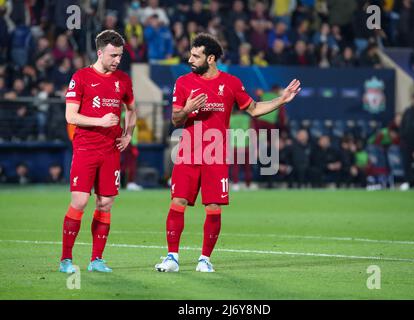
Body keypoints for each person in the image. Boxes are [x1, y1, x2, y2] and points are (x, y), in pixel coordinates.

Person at [155, 33, 301, 273]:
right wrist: (188, 109)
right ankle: (172, 257)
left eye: (196, 55)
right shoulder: (183, 82)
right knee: (177, 201)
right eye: (190, 54)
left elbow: (253, 109)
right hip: (188, 153)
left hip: (215, 155)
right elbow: (175, 118)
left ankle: (205, 259)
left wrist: (281, 100)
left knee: (213, 207)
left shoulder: (231, 83)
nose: (190, 59)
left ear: (211, 58)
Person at [59, 30, 136, 274]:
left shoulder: (123, 79)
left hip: (111, 150)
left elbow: (132, 109)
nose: (117, 60)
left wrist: (128, 134)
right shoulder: (81, 77)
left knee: (105, 203)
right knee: (80, 201)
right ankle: (66, 260)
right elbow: (70, 116)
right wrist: (101, 122)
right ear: (100, 52)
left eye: (120, 56)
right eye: (113, 55)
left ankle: (96, 260)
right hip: (86, 148)